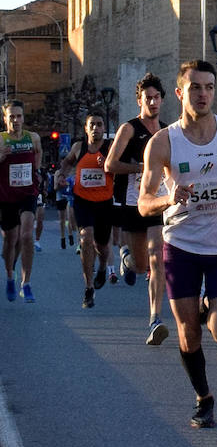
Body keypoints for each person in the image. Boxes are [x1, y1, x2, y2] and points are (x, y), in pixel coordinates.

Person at [138, 60, 217, 427]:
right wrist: (169, 198)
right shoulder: (163, 142)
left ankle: (211, 302)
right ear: (180, 94)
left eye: (208, 87)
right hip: (181, 246)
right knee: (188, 330)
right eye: (195, 87)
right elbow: (145, 203)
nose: (203, 94)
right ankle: (203, 396)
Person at [105, 73, 169, 345]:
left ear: (162, 100)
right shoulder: (129, 129)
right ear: (139, 100)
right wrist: (140, 168)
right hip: (133, 202)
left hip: (159, 202)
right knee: (141, 265)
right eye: (148, 98)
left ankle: (155, 319)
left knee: (157, 257)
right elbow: (110, 165)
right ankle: (126, 256)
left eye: (156, 98)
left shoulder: (167, 131)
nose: (152, 102)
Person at [58, 112, 115, 308]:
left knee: (102, 246)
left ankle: (101, 267)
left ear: (104, 129)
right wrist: (61, 175)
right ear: (86, 128)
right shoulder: (78, 147)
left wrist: (107, 165)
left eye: (99, 124)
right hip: (83, 201)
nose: (95, 128)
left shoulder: (110, 148)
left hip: (104, 203)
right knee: (85, 236)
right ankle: (89, 287)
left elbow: (118, 168)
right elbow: (66, 162)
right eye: (92, 124)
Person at [0, 100, 42, 303]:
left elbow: (38, 153)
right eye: (11, 117)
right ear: (5, 119)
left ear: (23, 118)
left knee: (26, 235)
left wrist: (37, 171)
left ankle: (26, 283)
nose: (15, 120)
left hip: (28, 193)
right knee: (10, 239)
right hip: (6, 196)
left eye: (19, 116)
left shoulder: (32, 138)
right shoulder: (0, 140)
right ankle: (10, 276)